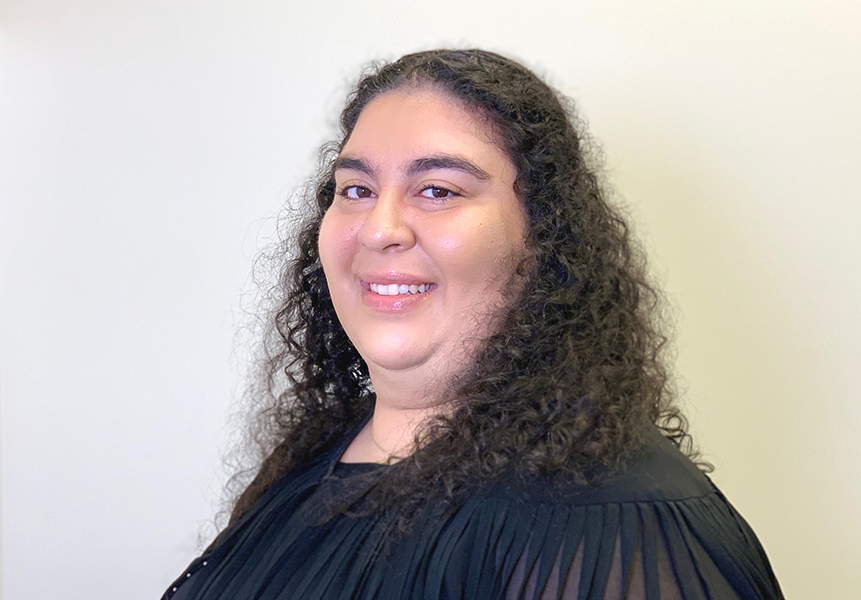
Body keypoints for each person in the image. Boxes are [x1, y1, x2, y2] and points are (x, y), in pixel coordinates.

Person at [163, 49, 783, 600]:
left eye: (437, 190)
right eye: (354, 189)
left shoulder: (614, 520)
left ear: (544, 238)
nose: (379, 228)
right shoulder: (313, 461)